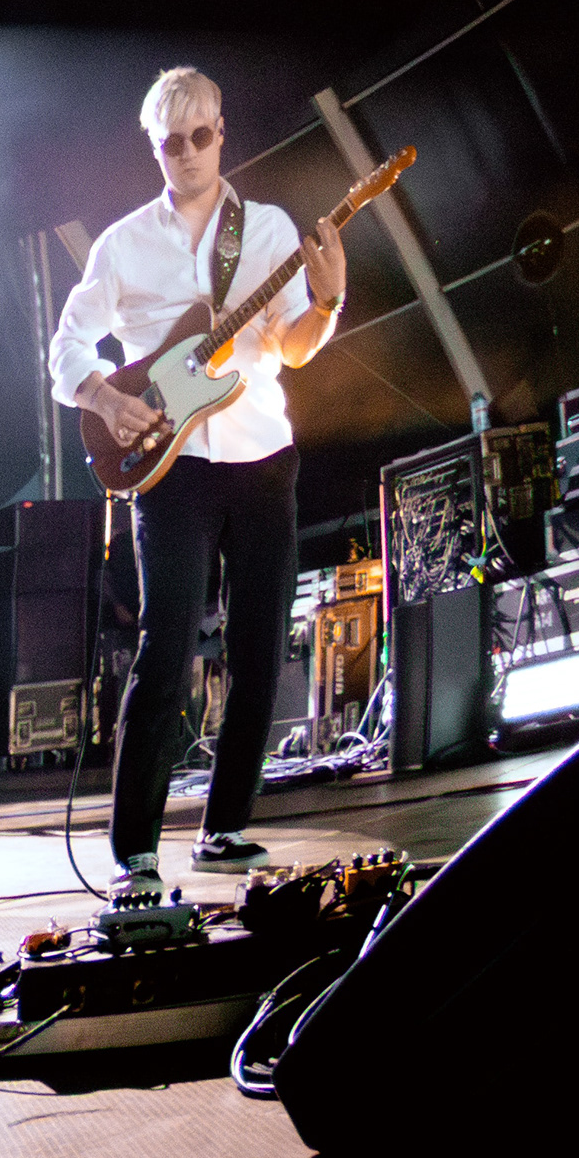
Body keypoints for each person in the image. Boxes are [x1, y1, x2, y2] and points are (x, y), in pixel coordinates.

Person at [49, 66, 347, 896]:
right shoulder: (122, 245)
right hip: (169, 466)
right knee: (167, 645)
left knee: (260, 646)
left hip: (261, 456)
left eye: (200, 136)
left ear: (223, 134)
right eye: (170, 142)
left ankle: (225, 829)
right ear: (154, 148)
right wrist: (105, 399)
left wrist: (327, 303)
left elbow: (289, 347)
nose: (186, 152)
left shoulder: (269, 228)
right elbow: (67, 344)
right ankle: (135, 850)